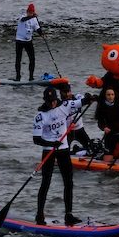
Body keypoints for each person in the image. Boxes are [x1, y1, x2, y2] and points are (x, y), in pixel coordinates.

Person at [32, 85, 81, 225]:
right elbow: (36, 140)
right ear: (45, 101)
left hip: (64, 150)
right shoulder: (40, 116)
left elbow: (80, 102)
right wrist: (52, 144)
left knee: (68, 182)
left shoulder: (64, 107)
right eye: (49, 101)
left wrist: (90, 98)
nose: (52, 103)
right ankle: (39, 215)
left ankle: (68, 214)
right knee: (46, 182)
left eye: (54, 100)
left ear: (56, 98)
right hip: (49, 150)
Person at [95, 86, 119, 159]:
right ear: (105, 96)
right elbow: (100, 121)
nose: (110, 97)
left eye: (112, 94)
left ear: (115, 95)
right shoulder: (102, 106)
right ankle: (106, 155)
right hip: (110, 134)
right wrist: (104, 127)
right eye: (108, 95)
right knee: (108, 158)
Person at [57, 81, 92, 152]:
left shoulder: (77, 97)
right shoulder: (60, 105)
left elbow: (84, 98)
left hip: (79, 129)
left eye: (68, 92)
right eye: (64, 92)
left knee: (90, 148)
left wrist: (89, 97)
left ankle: (77, 149)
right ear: (60, 93)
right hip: (67, 131)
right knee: (64, 151)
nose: (67, 94)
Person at [14, 3, 40, 81]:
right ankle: (18, 77)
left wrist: (42, 34)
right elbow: (23, 20)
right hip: (19, 40)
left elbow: (37, 28)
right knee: (18, 59)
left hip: (28, 41)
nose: (30, 13)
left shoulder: (34, 19)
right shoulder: (23, 15)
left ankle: (31, 77)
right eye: (29, 12)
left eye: (32, 12)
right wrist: (32, 16)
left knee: (32, 59)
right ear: (27, 11)